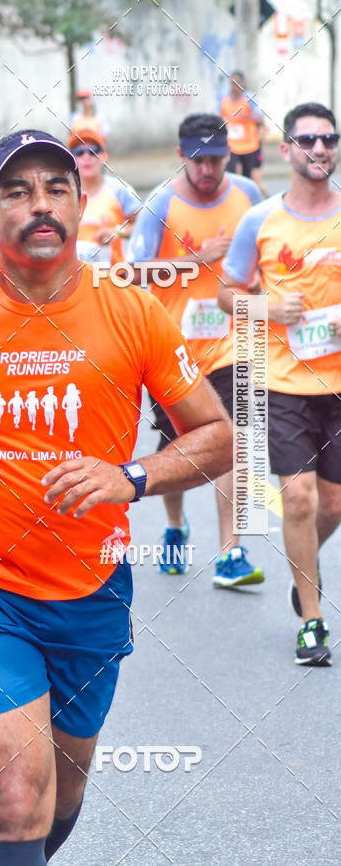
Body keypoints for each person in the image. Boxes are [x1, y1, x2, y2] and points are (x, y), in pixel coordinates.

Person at [0, 128, 232, 865]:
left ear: (83, 202)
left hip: (90, 592)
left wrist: (133, 476)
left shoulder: (133, 315)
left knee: (59, 799)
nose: (40, 204)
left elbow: (216, 437)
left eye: (56, 187)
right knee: (17, 793)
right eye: (17, 191)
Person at [218, 101, 341, 667]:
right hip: (284, 380)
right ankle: (311, 620)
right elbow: (226, 294)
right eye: (309, 140)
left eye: (329, 139)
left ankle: (303, 572)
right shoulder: (259, 220)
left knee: (333, 506)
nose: (320, 149)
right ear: (286, 148)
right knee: (297, 499)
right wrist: (267, 306)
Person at [128, 113, 264, 584]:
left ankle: (230, 551)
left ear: (229, 154)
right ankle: (174, 525)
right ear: (181, 155)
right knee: (178, 447)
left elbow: (268, 251)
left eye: (216, 159)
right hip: (173, 348)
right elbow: (132, 273)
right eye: (198, 159)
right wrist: (196, 260)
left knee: (233, 439)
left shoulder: (250, 197)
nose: (208, 169)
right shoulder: (161, 205)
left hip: (233, 342)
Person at [67, 128, 141, 267]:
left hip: (113, 278)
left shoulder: (120, 190)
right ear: (72, 158)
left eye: (93, 151)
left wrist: (117, 232)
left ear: (103, 156)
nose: (86, 157)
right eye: (79, 152)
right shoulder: (62, 191)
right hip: (73, 278)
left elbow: (142, 224)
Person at [221, 70, 268, 198]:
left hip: (249, 145)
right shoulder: (224, 98)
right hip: (231, 145)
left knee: (249, 178)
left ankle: (253, 199)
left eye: (238, 83)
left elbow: (261, 120)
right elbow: (221, 116)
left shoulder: (249, 98)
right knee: (231, 174)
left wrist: (244, 116)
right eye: (232, 83)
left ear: (242, 83)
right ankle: (233, 198)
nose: (235, 86)